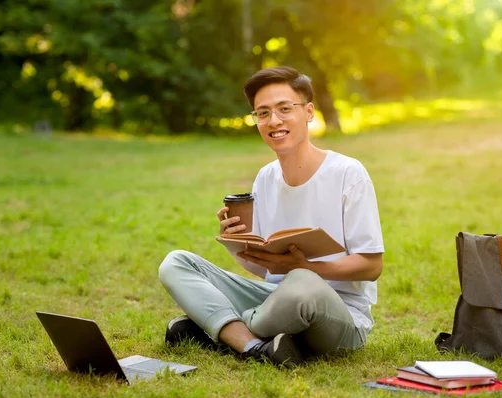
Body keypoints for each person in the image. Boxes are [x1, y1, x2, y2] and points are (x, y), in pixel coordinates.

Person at [158, 66, 384, 367]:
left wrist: (306, 267)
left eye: (284, 109)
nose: (273, 121)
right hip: (275, 299)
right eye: (262, 113)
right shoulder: (265, 178)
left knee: (301, 282)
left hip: (339, 315)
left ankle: (224, 329)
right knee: (176, 262)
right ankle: (255, 345)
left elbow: (371, 265)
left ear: (309, 112)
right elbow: (267, 270)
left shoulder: (347, 173)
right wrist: (235, 242)